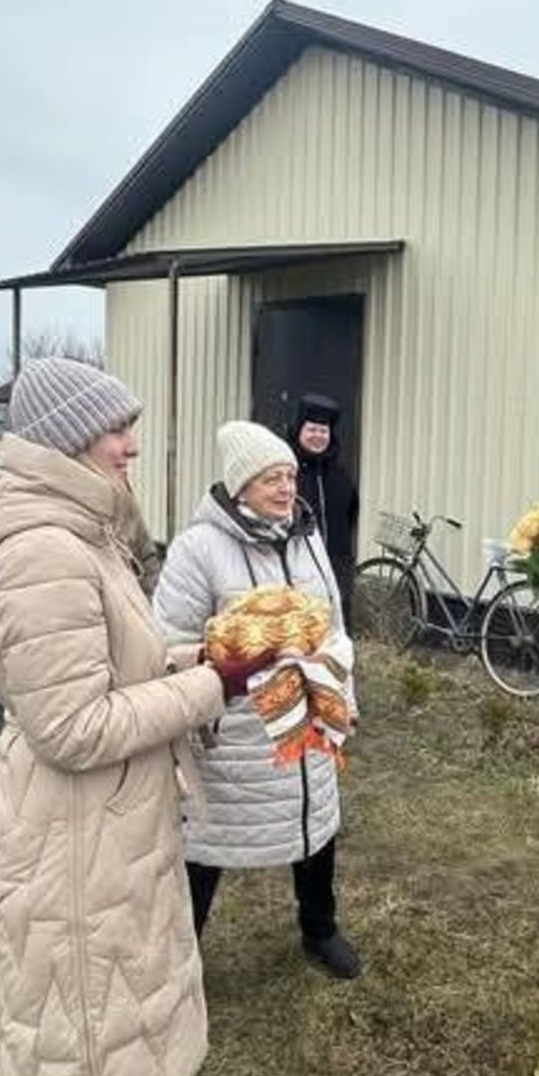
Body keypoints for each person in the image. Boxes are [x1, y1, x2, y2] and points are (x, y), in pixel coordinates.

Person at [0, 357, 231, 1076]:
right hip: (71, 841)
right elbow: (74, 727)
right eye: (117, 428)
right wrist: (215, 685)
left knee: (122, 1018)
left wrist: (192, 657)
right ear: (67, 438)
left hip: (107, 826)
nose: (130, 445)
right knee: (88, 1046)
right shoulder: (42, 551)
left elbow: (108, 667)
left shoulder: (83, 534)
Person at [154, 420, 363, 979]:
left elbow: (335, 623)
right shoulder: (198, 550)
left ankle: (320, 927)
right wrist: (236, 655)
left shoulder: (308, 537)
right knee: (208, 837)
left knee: (313, 821)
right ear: (239, 485)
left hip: (309, 715)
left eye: (289, 475)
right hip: (236, 732)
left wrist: (343, 691)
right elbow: (168, 643)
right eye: (270, 478)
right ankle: (179, 955)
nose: (284, 488)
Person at [288, 393, 358, 624]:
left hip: (336, 568)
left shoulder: (341, 476)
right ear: (299, 430)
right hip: (295, 571)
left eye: (323, 431)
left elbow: (350, 516)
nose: (318, 436)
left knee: (335, 633)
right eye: (312, 430)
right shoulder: (286, 473)